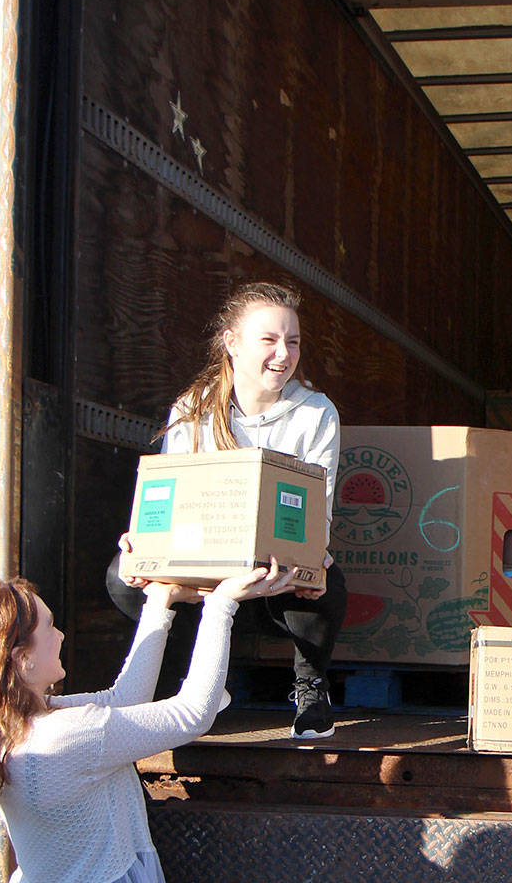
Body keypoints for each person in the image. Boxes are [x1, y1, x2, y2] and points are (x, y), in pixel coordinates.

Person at [0, 564, 296, 883]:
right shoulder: (65, 735)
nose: (61, 635)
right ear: (23, 660)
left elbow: (122, 702)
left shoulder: (11, 727)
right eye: (50, 627)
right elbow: (192, 714)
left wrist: (159, 602)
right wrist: (220, 606)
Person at [106, 281, 347, 739]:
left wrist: (311, 555)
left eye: (292, 342)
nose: (283, 353)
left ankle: (310, 687)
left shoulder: (316, 414)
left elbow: (319, 507)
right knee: (122, 578)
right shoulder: (192, 410)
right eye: (270, 340)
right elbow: (172, 496)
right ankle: (193, 688)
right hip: (206, 573)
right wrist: (144, 544)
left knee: (328, 582)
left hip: (273, 576)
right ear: (231, 343)